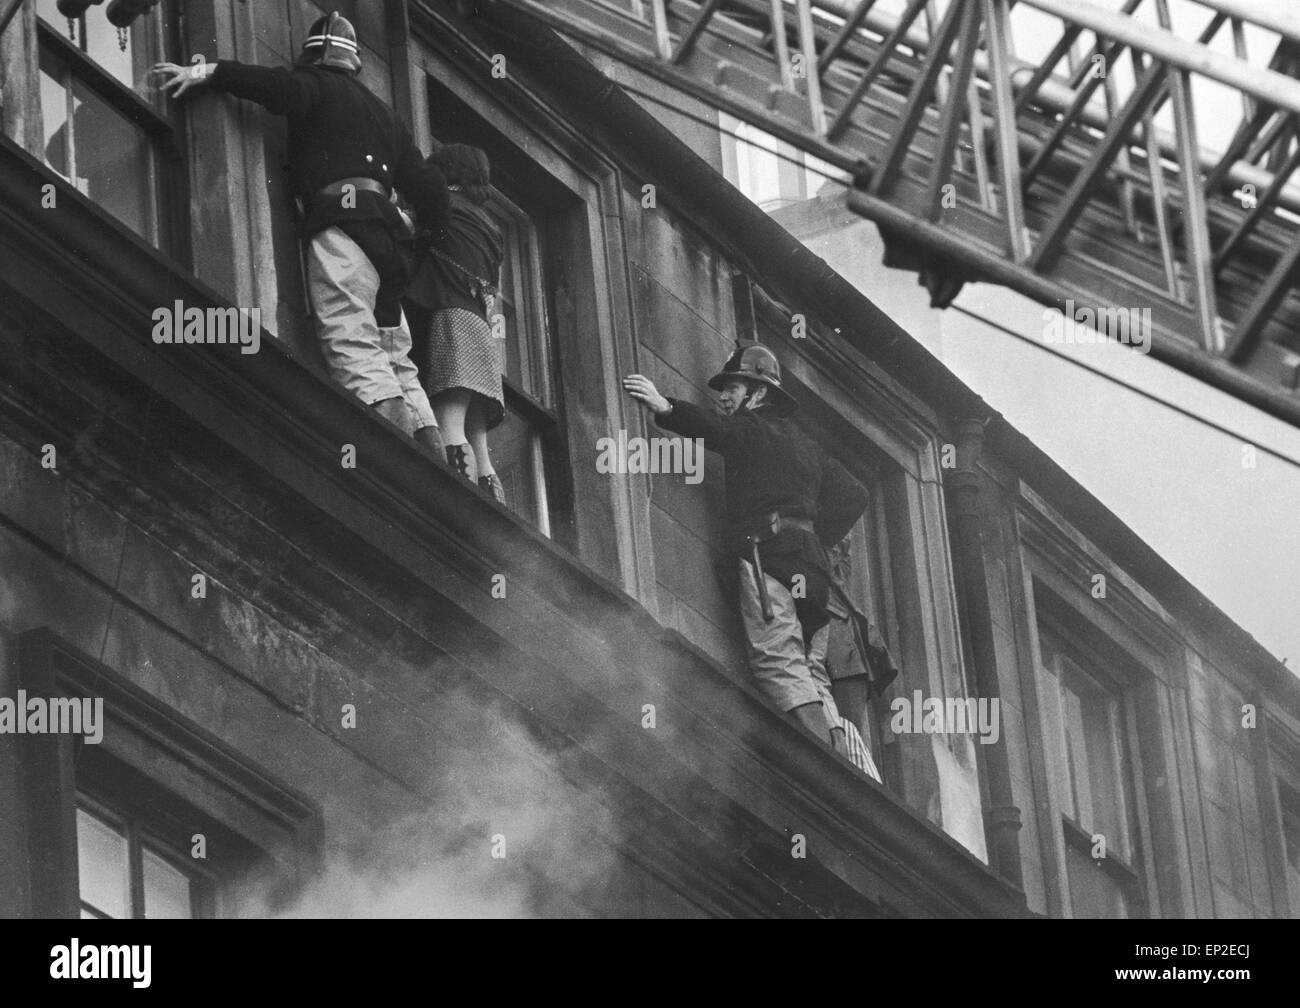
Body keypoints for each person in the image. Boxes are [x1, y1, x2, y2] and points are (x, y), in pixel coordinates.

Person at [151, 12, 448, 454]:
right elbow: (433, 192)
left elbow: (274, 87)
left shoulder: (315, 83)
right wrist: (419, 245)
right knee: (396, 357)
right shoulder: (387, 116)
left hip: (341, 226)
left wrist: (206, 70)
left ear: (315, 56)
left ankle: (395, 460)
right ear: (354, 62)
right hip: (390, 244)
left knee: (353, 344)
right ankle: (432, 459)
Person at [623, 345, 871, 756]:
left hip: (767, 560)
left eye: (733, 388)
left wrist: (665, 406)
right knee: (811, 671)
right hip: (811, 571)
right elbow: (855, 495)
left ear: (758, 395)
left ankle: (828, 762)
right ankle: (845, 754)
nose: (724, 398)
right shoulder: (808, 447)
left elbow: (720, 431)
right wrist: (811, 536)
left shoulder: (754, 430)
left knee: (778, 661)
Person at [405, 144, 507, 502]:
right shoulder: (490, 226)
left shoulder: (447, 207)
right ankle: (493, 507)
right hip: (481, 330)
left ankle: (461, 498)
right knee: (477, 438)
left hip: (451, 317)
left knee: (449, 422)